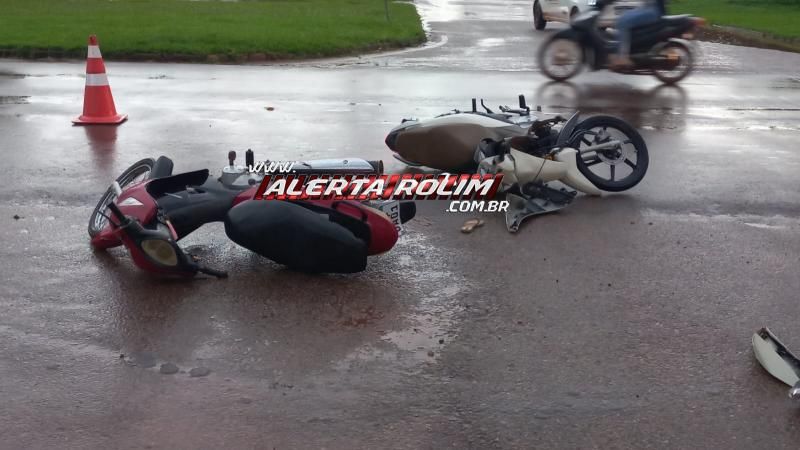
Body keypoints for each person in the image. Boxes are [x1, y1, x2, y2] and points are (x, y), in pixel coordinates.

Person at [610, 0, 667, 68]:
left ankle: (623, 57)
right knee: (621, 18)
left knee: (623, 23)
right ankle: (621, 52)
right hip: (646, 8)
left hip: (654, 11)